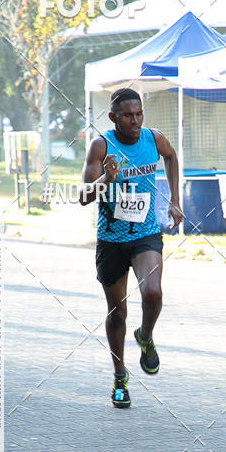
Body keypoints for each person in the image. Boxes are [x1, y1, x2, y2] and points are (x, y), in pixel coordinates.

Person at [79, 89, 182, 409]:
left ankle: (146, 336)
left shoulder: (154, 138)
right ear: (113, 117)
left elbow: (171, 157)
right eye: (127, 116)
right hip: (111, 240)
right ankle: (119, 377)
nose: (135, 121)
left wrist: (175, 200)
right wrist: (106, 179)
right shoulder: (101, 146)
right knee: (117, 312)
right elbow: (83, 196)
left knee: (153, 293)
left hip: (145, 234)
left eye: (139, 114)